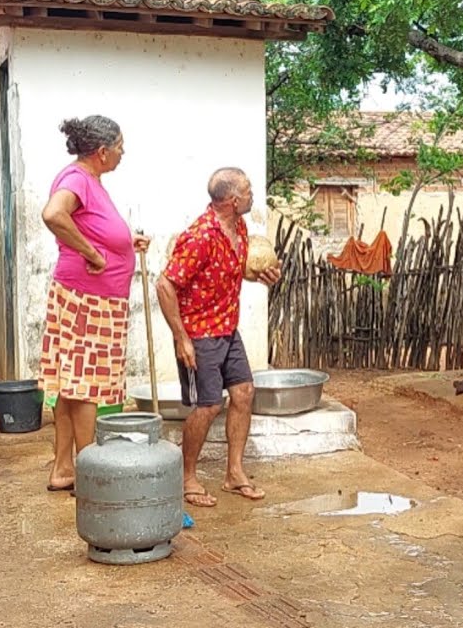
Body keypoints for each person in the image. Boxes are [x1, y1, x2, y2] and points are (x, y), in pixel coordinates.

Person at [156, 168, 281, 508]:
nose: (253, 193)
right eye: (248, 189)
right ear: (232, 199)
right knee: (209, 405)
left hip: (227, 327)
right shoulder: (200, 236)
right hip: (199, 334)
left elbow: (231, 269)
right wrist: (181, 338)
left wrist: (261, 275)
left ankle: (234, 473)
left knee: (244, 393)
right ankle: (187, 479)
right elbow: (164, 284)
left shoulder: (237, 226)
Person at [39, 115, 150, 492]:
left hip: (87, 295)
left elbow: (93, 227)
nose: (123, 153)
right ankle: (88, 471)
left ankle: (63, 469)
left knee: (71, 383)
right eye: (120, 146)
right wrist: (93, 253)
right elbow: (53, 214)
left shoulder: (90, 180)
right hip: (90, 298)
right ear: (102, 152)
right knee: (86, 385)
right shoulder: (77, 179)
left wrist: (123, 242)